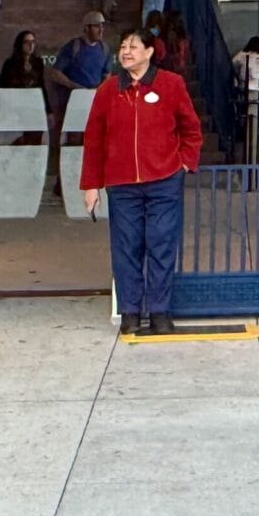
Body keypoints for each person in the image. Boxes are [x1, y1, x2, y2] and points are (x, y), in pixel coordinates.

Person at [80, 25, 203, 336]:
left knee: (161, 245)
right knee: (126, 248)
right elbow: (94, 139)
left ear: (149, 52)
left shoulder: (171, 84)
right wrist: (91, 184)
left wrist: (185, 163)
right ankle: (130, 311)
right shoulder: (108, 89)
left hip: (163, 180)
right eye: (123, 46)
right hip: (121, 184)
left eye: (133, 46)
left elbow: (191, 128)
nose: (126, 51)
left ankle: (160, 311)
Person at [50, 16, 110, 94]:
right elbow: (55, 73)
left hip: (96, 95)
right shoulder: (73, 47)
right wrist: (74, 87)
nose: (101, 30)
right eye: (96, 26)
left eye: (102, 26)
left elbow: (107, 74)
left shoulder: (104, 48)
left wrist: (100, 90)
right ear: (87, 28)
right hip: (76, 96)